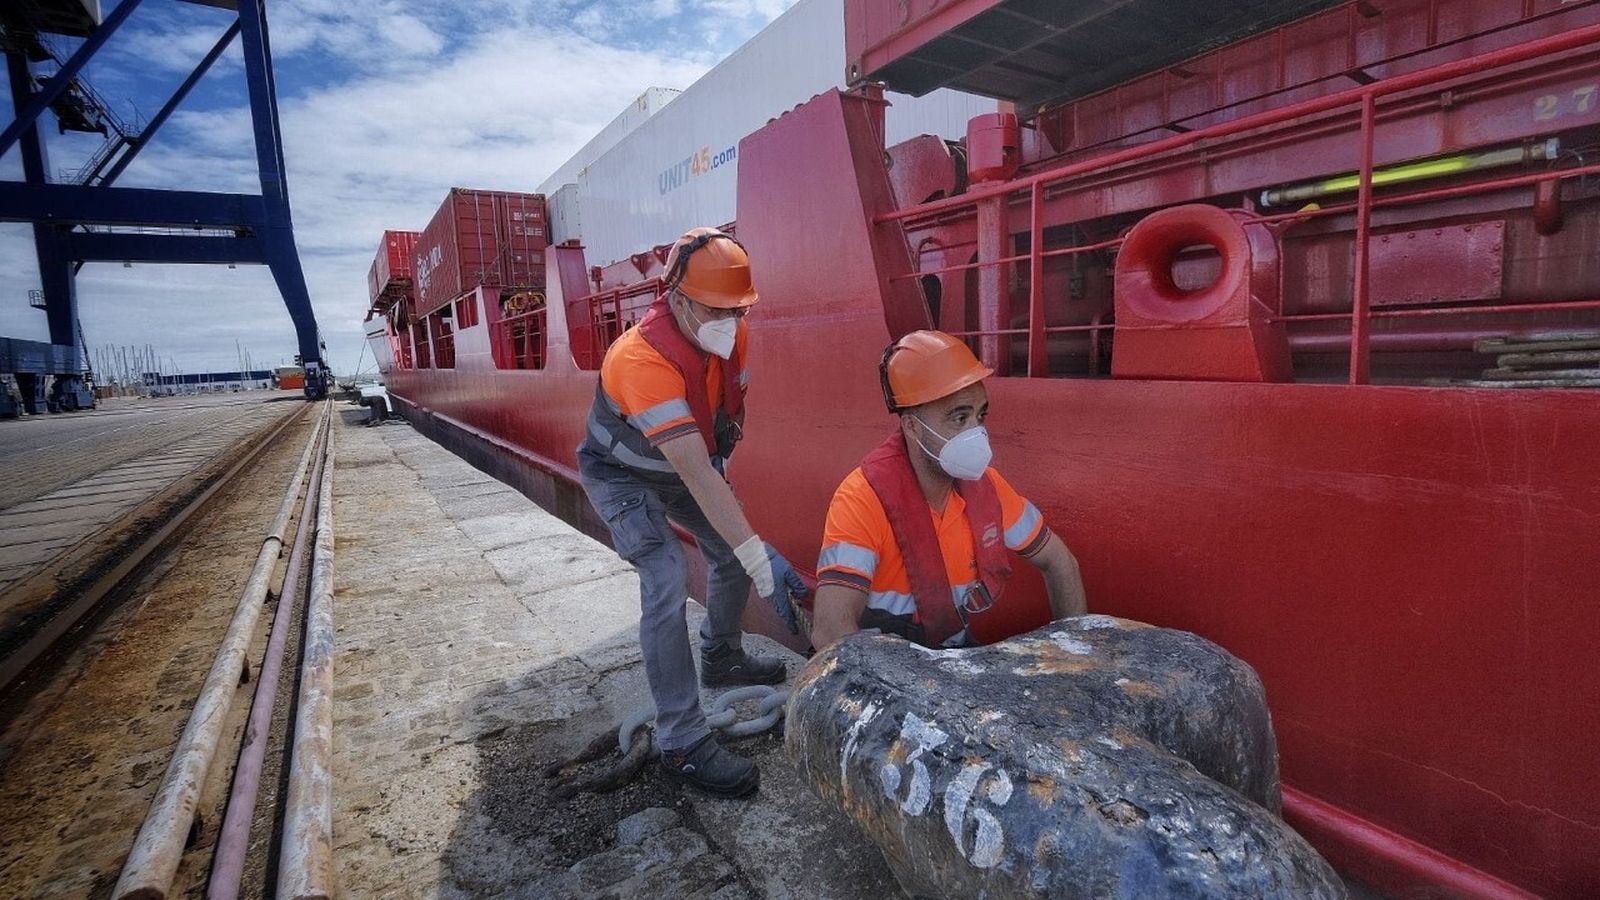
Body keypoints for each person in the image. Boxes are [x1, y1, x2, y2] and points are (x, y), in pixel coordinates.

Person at [578, 227, 807, 799]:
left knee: (726, 556)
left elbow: (716, 440)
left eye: (739, 308)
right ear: (676, 298)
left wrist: (744, 546)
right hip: (623, 474)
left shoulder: (731, 336)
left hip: (682, 466)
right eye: (715, 307)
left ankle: (722, 656)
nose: (729, 320)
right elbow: (696, 473)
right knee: (666, 578)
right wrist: (763, 559)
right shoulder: (640, 359)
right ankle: (681, 740)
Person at [810, 330, 1086, 650]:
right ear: (912, 427)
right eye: (959, 418)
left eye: (980, 416)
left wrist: (1075, 648)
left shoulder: (990, 489)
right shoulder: (862, 498)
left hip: (953, 654)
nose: (976, 433)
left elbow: (1060, 561)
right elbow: (831, 631)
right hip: (886, 663)